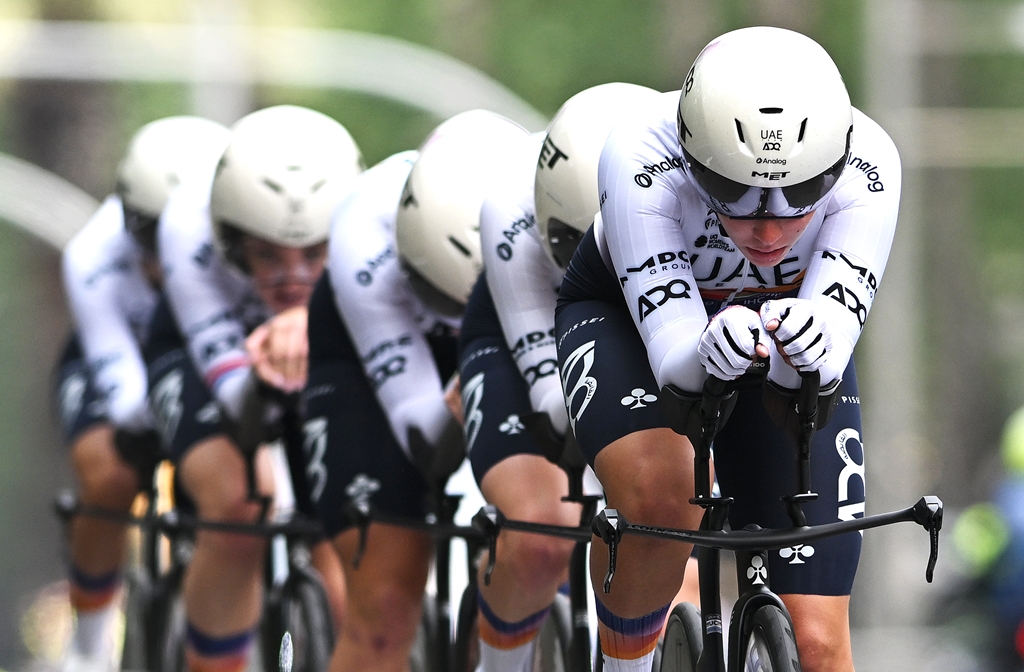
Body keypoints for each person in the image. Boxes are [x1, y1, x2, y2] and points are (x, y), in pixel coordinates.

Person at [554, 26, 900, 671]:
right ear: (692, 159)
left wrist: (811, 345)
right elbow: (676, 360)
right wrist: (704, 346)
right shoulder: (639, 151)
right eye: (733, 196)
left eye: (801, 196)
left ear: (837, 166)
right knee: (664, 501)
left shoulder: (873, 164)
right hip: (626, 319)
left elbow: (821, 363)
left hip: (780, 335)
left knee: (819, 645)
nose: (767, 229)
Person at [302, 109, 535, 672]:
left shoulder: (555, 205)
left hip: (515, 326)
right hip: (369, 358)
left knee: (543, 542)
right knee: (384, 609)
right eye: (445, 301)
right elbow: (427, 439)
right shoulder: (364, 231)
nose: (460, 324)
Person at [144, 105, 361, 672]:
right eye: (266, 254)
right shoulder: (186, 228)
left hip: (313, 349)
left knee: (349, 525)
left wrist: (310, 327)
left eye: (315, 254)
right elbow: (241, 402)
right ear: (230, 238)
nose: (294, 277)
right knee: (238, 506)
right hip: (199, 353)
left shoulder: (368, 232)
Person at [457, 82, 663, 672]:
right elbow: (552, 394)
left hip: (650, 319)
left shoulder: (682, 192)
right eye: (577, 244)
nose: (600, 259)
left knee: (672, 540)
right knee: (540, 534)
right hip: (524, 332)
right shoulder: (510, 206)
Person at [56, 116, 231, 672]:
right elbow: (129, 400)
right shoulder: (92, 255)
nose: (168, 251)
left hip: (201, 359)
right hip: (118, 359)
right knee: (109, 474)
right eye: (152, 235)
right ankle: (89, 644)